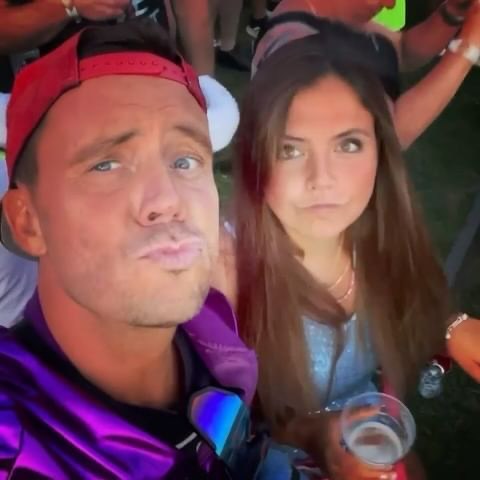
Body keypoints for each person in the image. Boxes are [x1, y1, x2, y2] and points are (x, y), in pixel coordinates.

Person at [0, 20, 266, 478]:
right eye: (107, 165)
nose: (167, 199)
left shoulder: (212, 328)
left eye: (185, 160)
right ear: (28, 221)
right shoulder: (14, 443)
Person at [213, 34, 480, 479]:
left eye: (348, 145)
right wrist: (312, 435)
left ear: (380, 149)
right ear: (255, 158)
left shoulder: (375, 228)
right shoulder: (222, 269)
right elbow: (207, 427)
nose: (323, 178)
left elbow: (408, 302)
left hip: (370, 441)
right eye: (290, 149)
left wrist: (451, 328)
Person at [252, 0, 480, 149]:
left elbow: (403, 51)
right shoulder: (299, 45)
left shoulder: (324, 18)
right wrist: (467, 49)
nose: (390, 4)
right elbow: (386, 137)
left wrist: (452, 13)